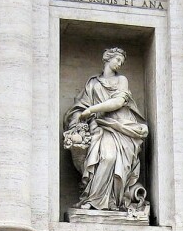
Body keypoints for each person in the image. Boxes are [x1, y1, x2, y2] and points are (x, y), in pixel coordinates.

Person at [63, 48, 149, 211]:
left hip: (120, 126)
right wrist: (81, 116)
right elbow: (80, 107)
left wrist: (91, 110)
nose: (119, 64)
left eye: (122, 62)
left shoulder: (122, 80)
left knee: (111, 159)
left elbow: (117, 102)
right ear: (107, 59)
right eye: (117, 60)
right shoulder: (93, 83)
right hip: (98, 125)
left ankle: (112, 201)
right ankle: (93, 199)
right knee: (105, 157)